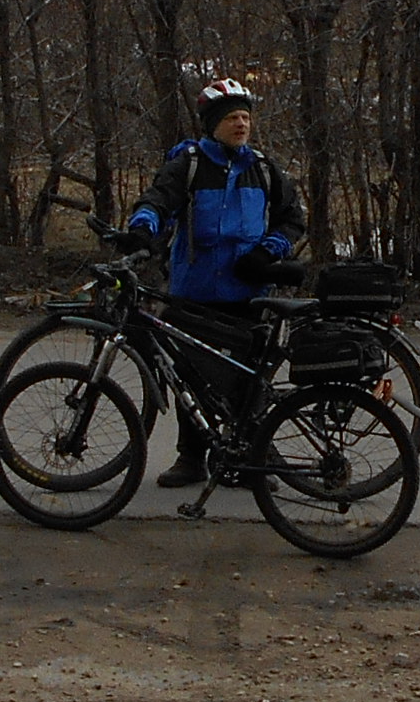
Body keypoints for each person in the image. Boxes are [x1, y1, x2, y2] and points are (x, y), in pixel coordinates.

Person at [126, 76, 303, 484]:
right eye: (231, 118)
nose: (241, 124)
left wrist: (266, 252)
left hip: (248, 291)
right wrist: (142, 228)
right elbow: (158, 201)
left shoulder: (263, 169)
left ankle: (250, 456)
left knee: (248, 378)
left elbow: (292, 219)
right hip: (195, 291)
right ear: (212, 125)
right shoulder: (188, 165)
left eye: (245, 117)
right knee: (190, 376)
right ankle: (191, 458)